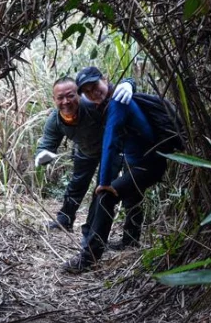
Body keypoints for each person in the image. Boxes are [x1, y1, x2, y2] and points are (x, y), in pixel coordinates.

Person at [62, 67, 168, 273]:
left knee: (105, 198)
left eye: (96, 86)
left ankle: (89, 257)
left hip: (149, 164)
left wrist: (104, 183)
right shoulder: (108, 101)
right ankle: (130, 240)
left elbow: (110, 143)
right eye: (88, 91)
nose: (94, 93)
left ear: (105, 79)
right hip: (137, 161)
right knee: (132, 197)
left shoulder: (117, 101)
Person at [35, 73, 133, 230]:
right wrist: (41, 156)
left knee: (103, 188)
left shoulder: (93, 104)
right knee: (77, 184)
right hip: (85, 150)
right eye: (60, 98)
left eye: (70, 96)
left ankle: (92, 229)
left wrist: (128, 83)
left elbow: (113, 91)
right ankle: (64, 220)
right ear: (54, 100)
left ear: (79, 95)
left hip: (111, 150)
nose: (65, 102)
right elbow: (47, 144)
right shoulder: (56, 120)